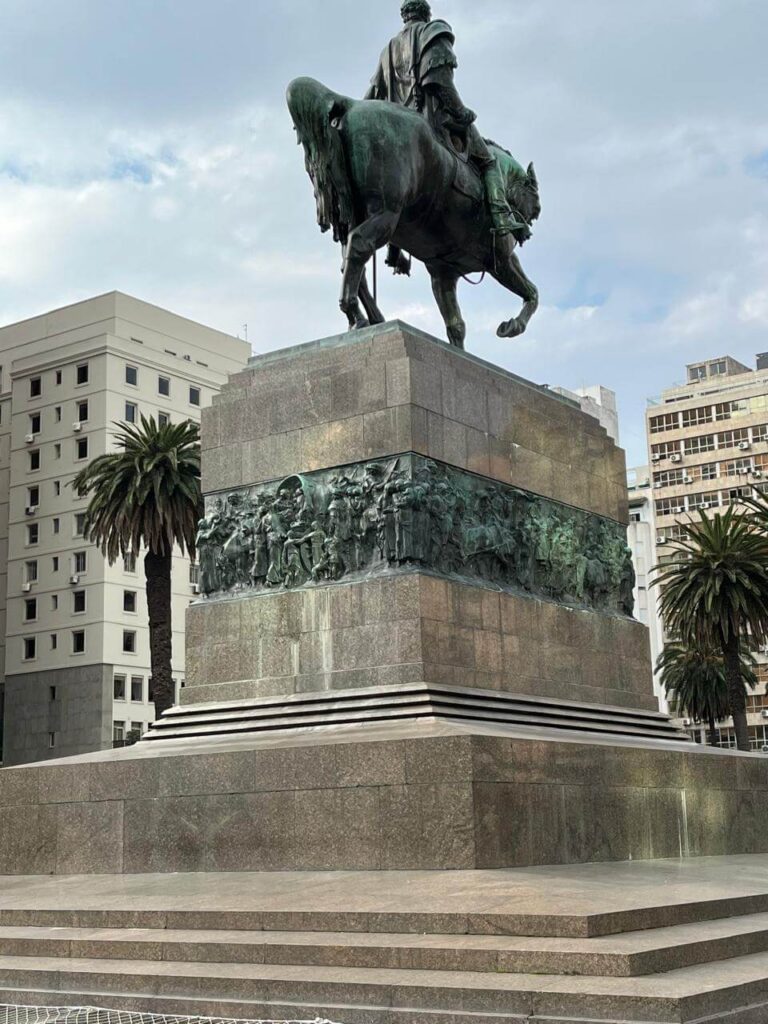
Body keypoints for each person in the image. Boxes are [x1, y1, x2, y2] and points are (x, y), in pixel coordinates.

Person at [365, 0, 526, 271]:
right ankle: (501, 219)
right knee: (487, 161)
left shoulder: (387, 52)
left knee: (398, 184)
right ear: (425, 14)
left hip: (399, 129)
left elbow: (371, 98)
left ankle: (393, 252)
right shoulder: (432, 31)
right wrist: (462, 113)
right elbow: (438, 80)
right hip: (433, 121)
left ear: (404, 16)